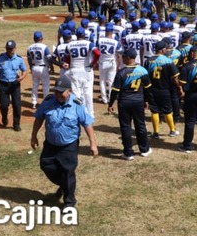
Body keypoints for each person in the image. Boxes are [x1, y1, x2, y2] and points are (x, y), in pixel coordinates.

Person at [31, 75, 99, 207]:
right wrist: (34, 135)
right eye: (56, 91)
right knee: (46, 165)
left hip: (69, 146)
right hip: (50, 144)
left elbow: (87, 124)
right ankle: (64, 185)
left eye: (61, 91)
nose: (58, 94)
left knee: (68, 172)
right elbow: (39, 118)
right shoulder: (48, 101)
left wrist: (93, 144)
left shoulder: (77, 104)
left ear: (69, 91)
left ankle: (69, 202)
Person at [108, 48, 153, 160]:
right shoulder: (143, 71)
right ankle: (144, 149)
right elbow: (147, 88)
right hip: (138, 101)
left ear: (128, 58)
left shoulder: (121, 72)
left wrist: (110, 103)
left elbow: (115, 90)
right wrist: (146, 100)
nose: (122, 58)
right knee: (140, 125)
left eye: (123, 57)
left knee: (126, 127)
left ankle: (128, 153)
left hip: (124, 102)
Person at [144, 40, 182, 139]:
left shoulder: (148, 61)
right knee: (168, 111)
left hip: (152, 90)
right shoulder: (168, 61)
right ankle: (172, 130)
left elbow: (145, 76)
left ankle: (156, 132)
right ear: (162, 50)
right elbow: (175, 77)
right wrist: (179, 88)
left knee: (154, 111)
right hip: (165, 89)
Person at [0, 40, 28, 131]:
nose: (9, 51)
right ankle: (4, 118)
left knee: (17, 105)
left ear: (15, 48)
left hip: (15, 85)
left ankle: (16, 124)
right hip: (3, 84)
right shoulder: (0, 58)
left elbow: (24, 70)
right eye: (8, 49)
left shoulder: (19, 59)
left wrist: (22, 77)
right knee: (4, 105)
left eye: (11, 49)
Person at [97, 24, 122, 104]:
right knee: (111, 82)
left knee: (102, 81)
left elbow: (96, 52)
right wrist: (119, 65)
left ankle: (104, 99)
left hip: (102, 62)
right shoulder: (116, 42)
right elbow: (119, 55)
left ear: (105, 32)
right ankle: (111, 98)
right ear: (112, 32)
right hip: (112, 62)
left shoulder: (99, 40)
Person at [27, 31, 52, 109]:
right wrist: (51, 67)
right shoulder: (44, 47)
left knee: (35, 86)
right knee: (46, 86)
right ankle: (46, 102)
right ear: (41, 38)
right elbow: (48, 58)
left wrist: (31, 66)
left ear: (34, 38)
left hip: (34, 67)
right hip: (43, 68)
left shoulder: (29, 47)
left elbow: (29, 59)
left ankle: (34, 103)